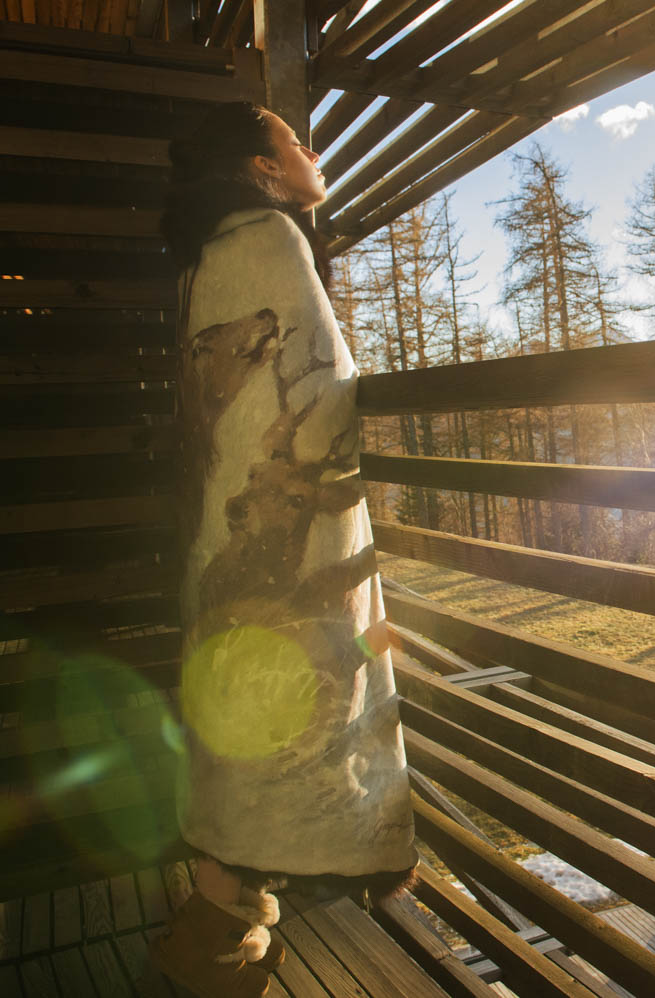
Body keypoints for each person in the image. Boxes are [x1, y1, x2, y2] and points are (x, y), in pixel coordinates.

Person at [152, 101, 417, 998]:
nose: (312, 151)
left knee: (241, 712)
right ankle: (222, 951)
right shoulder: (269, 236)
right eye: (293, 142)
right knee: (307, 697)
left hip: (220, 534)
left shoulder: (201, 257)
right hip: (288, 536)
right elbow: (325, 387)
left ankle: (218, 921)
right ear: (262, 172)